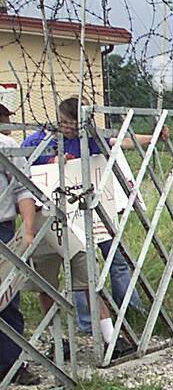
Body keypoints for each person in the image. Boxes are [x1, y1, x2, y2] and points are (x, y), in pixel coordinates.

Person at [20, 97, 163, 360]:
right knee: (47, 283)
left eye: (74, 125)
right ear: (58, 118)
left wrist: (154, 135)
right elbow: (22, 177)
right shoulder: (35, 142)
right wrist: (50, 166)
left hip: (78, 218)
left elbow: (119, 143)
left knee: (88, 278)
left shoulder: (89, 138)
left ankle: (109, 337)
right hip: (45, 218)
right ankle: (57, 340)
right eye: (66, 124)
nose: (70, 130)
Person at [0, 105, 40, 384]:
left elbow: (23, 188)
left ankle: (11, 364)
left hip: (2, 228)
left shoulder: (7, 146)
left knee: (6, 297)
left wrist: (27, 231)